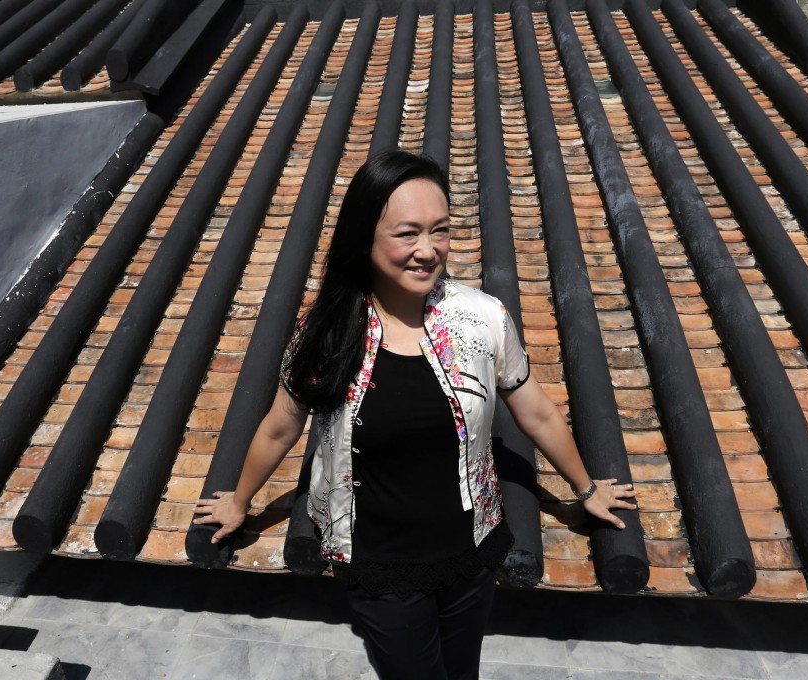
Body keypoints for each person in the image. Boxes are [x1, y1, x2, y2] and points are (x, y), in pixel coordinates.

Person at [193, 151, 637, 679]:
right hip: (377, 563)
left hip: (470, 552)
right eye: (408, 233)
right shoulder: (328, 332)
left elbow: (535, 411)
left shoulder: (480, 318)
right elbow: (281, 425)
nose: (428, 251)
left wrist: (587, 491)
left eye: (440, 231)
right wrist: (239, 502)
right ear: (365, 238)